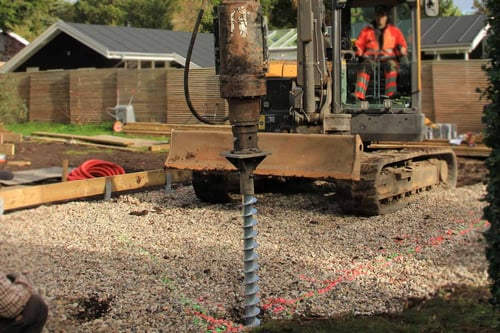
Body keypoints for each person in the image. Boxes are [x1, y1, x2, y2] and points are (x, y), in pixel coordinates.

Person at [353, 5, 408, 101]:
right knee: (364, 66)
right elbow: (359, 45)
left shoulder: (395, 31)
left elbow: (402, 46)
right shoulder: (366, 31)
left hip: (388, 59)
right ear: (375, 16)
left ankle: (391, 94)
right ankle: (359, 95)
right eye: (378, 15)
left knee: (392, 66)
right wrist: (357, 50)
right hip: (371, 59)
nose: (380, 18)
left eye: (382, 16)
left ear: (386, 17)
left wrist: (402, 50)